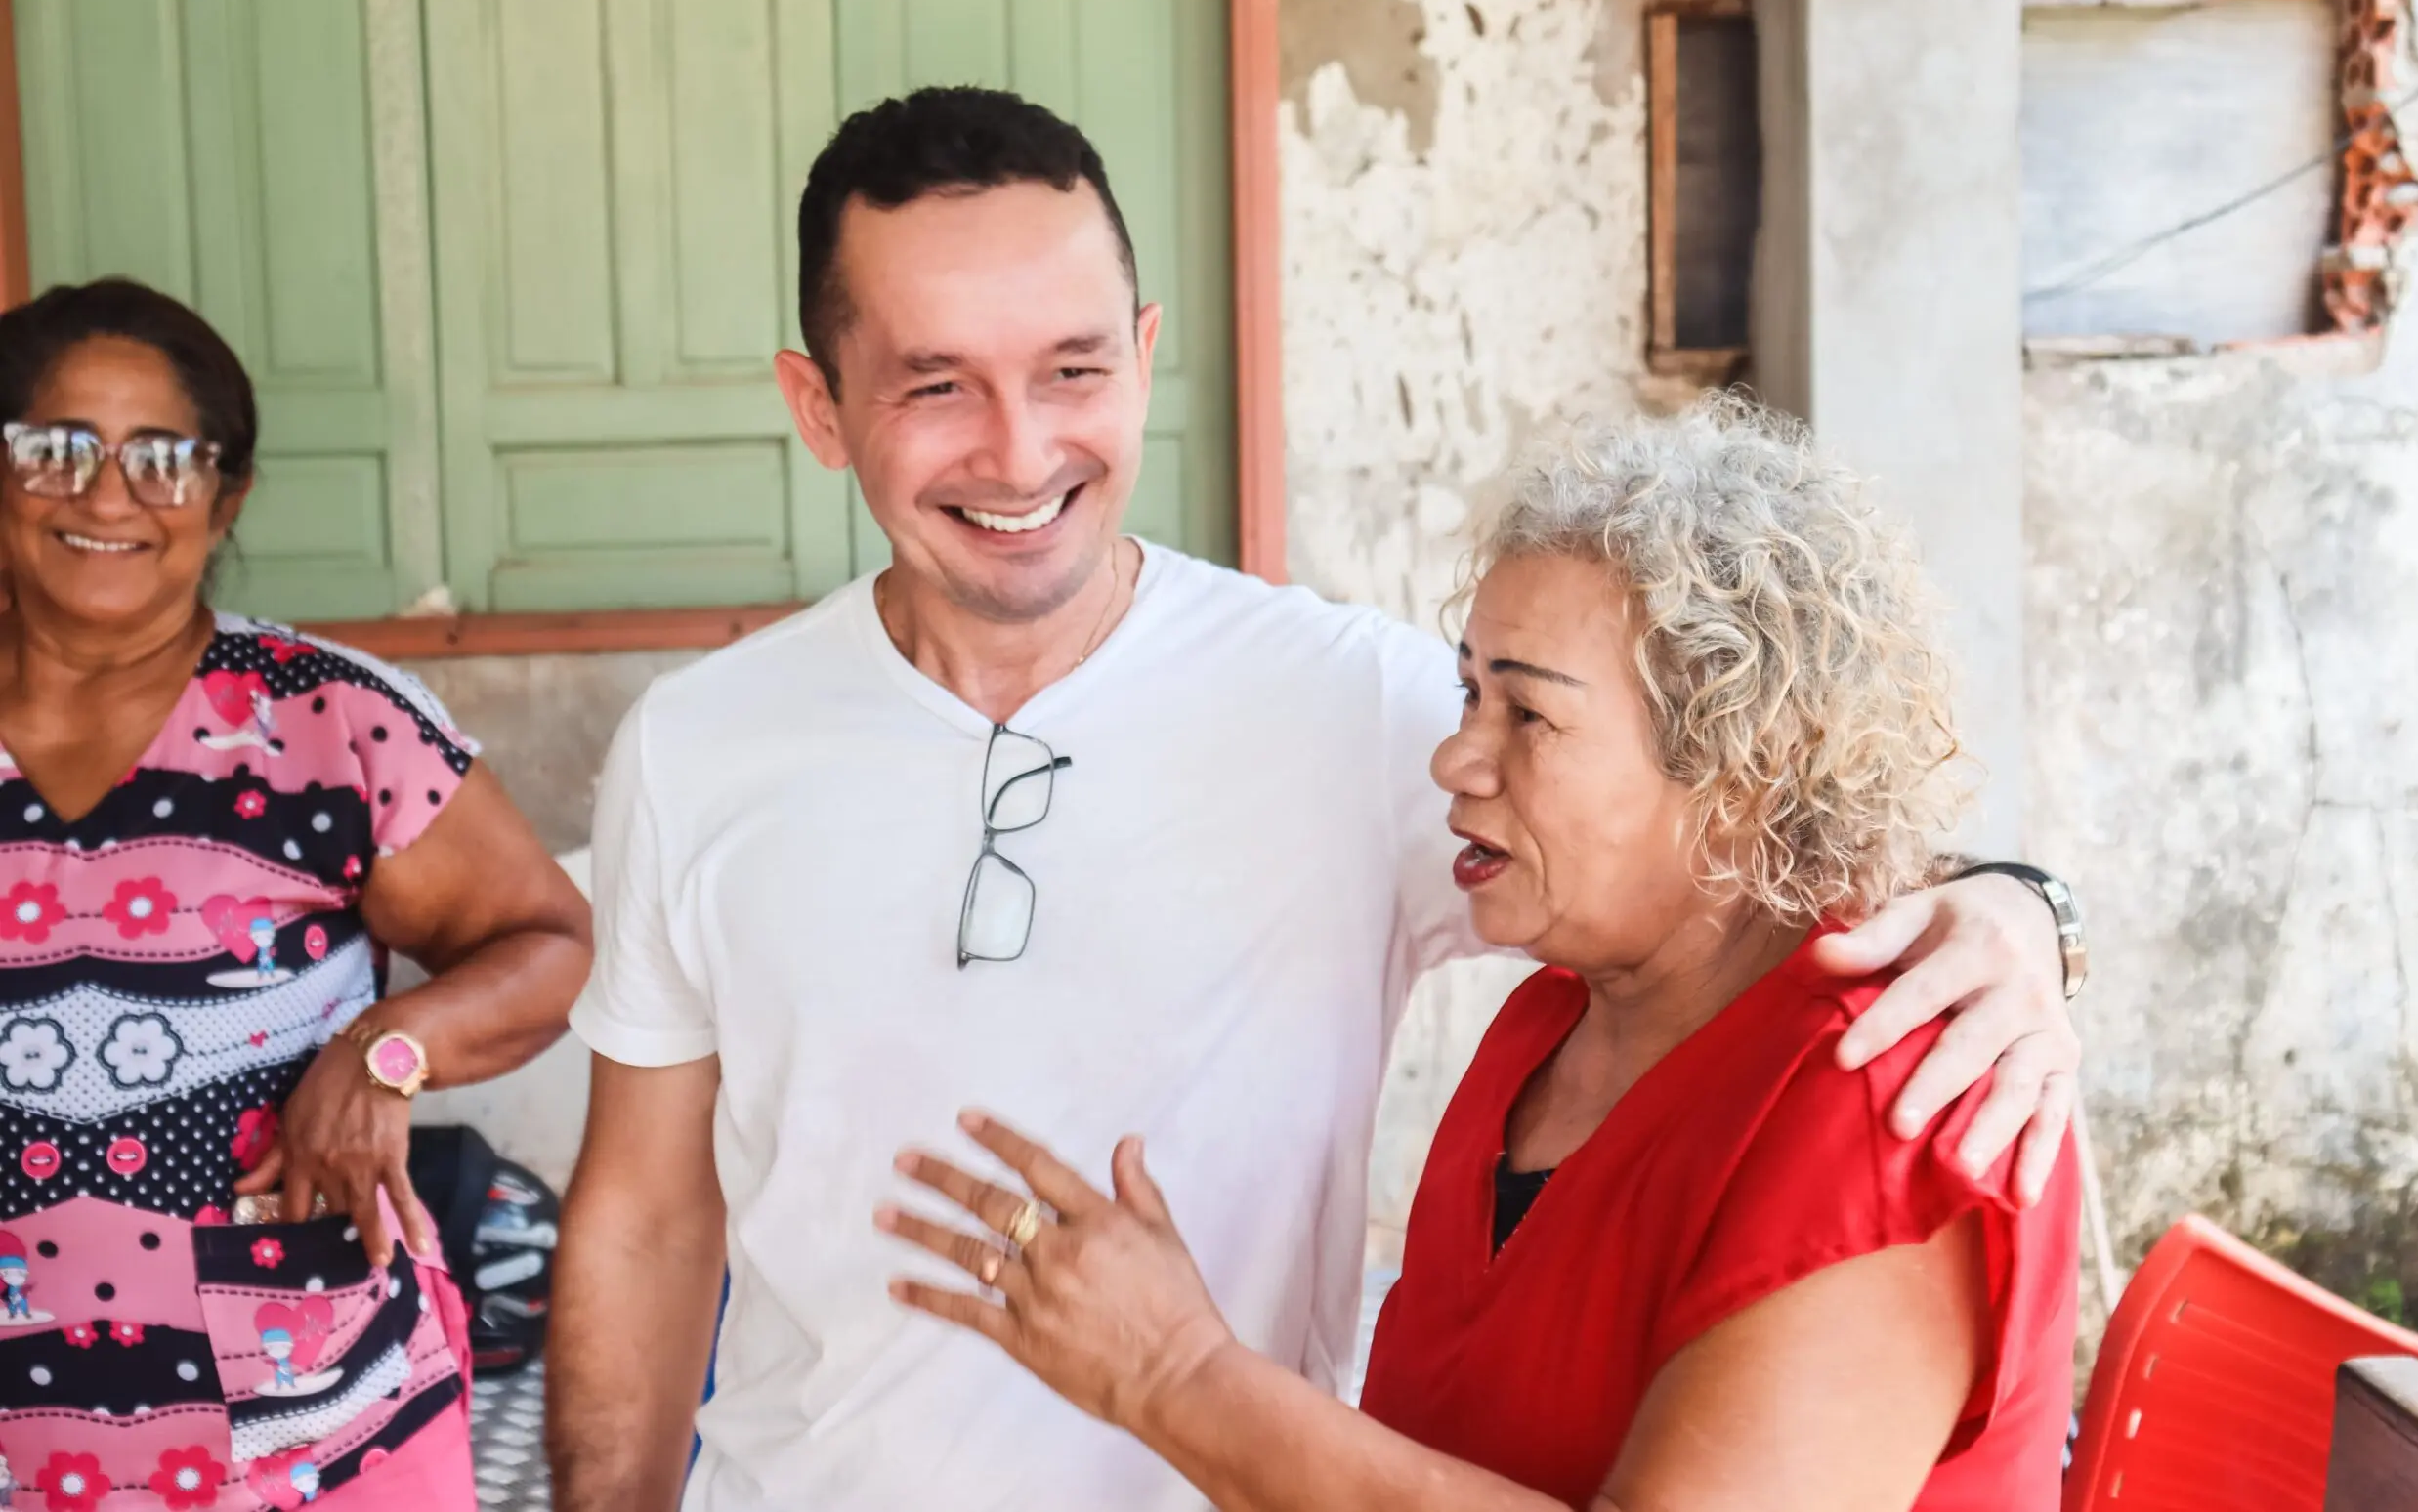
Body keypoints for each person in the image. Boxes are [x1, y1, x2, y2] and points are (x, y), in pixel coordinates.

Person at [548, 87, 2085, 1512]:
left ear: (1143, 354)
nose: (1020, 449)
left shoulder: (1349, 704)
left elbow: (1752, 830)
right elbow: (646, 1219)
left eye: (1073, 369)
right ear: (819, 405)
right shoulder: (698, 748)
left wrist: (2021, 909)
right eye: (937, 384)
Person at [883, 405, 2081, 1511]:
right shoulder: (1548, 1027)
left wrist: (1175, 1373)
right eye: (1467, 693)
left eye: (1529, 714)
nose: (1454, 759)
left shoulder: (1891, 1098)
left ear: (1741, 772)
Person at [0, 280, 593, 1509]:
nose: (107, 496)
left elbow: (548, 944)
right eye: (57, 449)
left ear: (226, 496)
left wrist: (387, 1049)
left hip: (317, 1438)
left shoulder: (329, 722)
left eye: (163, 458)